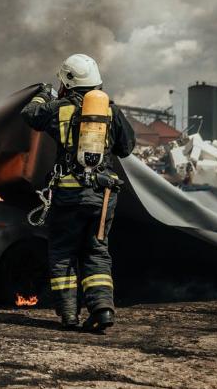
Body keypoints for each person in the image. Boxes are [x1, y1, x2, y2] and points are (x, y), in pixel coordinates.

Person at [21, 54, 135, 332]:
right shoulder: (110, 109)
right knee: (97, 251)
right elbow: (127, 147)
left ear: (68, 83)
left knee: (62, 252)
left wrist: (43, 95)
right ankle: (103, 309)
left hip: (68, 196)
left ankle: (69, 315)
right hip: (103, 195)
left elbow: (29, 115)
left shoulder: (58, 108)